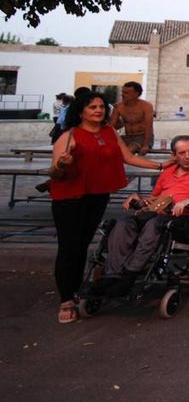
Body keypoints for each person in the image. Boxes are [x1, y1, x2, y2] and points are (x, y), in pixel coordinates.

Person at [49, 89, 162, 323]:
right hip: (69, 197)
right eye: (93, 107)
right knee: (69, 247)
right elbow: (55, 173)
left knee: (82, 245)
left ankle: (77, 287)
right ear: (81, 112)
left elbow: (128, 158)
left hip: (96, 195)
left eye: (101, 107)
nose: (99, 111)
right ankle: (66, 300)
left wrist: (160, 166)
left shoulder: (109, 132)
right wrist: (63, 163)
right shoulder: (69, 136)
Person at [94, 134, 189, 297]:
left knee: (155, 224)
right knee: (124, 223)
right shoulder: (167, 172)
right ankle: (112, 275)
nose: (187, 156)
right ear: (174, 155)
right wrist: (139, 198)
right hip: (158, 213)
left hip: (188, 219)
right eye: (181, 153)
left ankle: (131, 274)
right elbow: (154, 198)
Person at [109, 81, 155, 155]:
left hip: (142, 137)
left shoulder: (146, 106)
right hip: (128, 137)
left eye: (126, 93)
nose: (123, 95)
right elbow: (111, 126)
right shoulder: (119, 107)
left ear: (136, 94)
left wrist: (146, 145)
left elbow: (149, 126)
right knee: (110, 147)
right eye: (122, 92)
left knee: (131, 148)